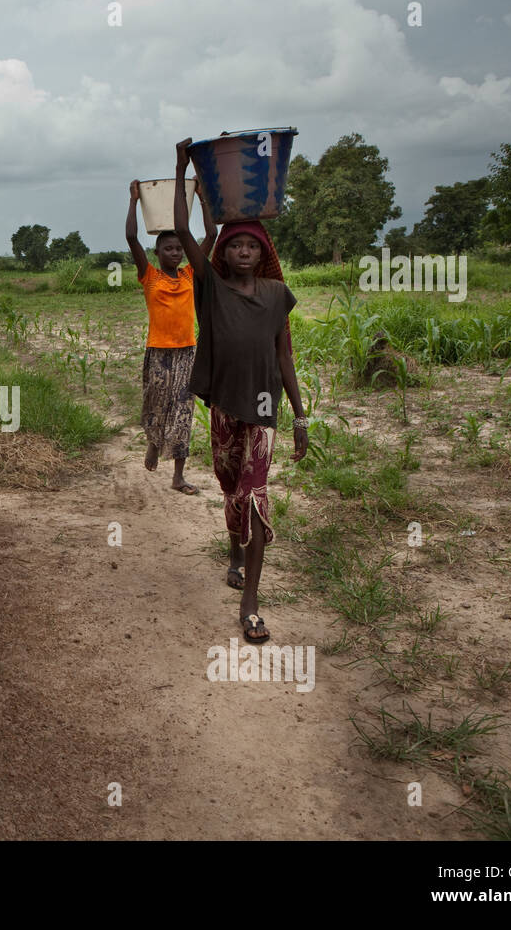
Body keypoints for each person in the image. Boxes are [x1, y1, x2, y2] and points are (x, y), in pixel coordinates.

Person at [173, 138, 309, 644]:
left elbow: (284, 356)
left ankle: (251, 603)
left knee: (254, 496)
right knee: (231, 490)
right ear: (224, 255)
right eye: (236, 245)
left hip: (264, 410)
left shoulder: (276, 295)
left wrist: (300, 416)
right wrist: (183, 168)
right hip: (225, 407)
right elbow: (186, 231)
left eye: (252, 245)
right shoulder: (209, 286)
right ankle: (233, 548)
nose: (244, 251)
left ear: (263, 252)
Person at [126, 179, 217, 493]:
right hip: (158, 352)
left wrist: (203, 199)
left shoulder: (191, 274)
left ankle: (178, 476)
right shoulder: (149, 276)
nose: (176, 253)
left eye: (179, 248)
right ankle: (153, 441)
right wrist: (134, 200)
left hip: (186, 353)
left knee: (183, 411)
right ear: (158, 252)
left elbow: (212, 235)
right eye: (169, 248)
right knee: (155, 403)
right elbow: (130, 236)